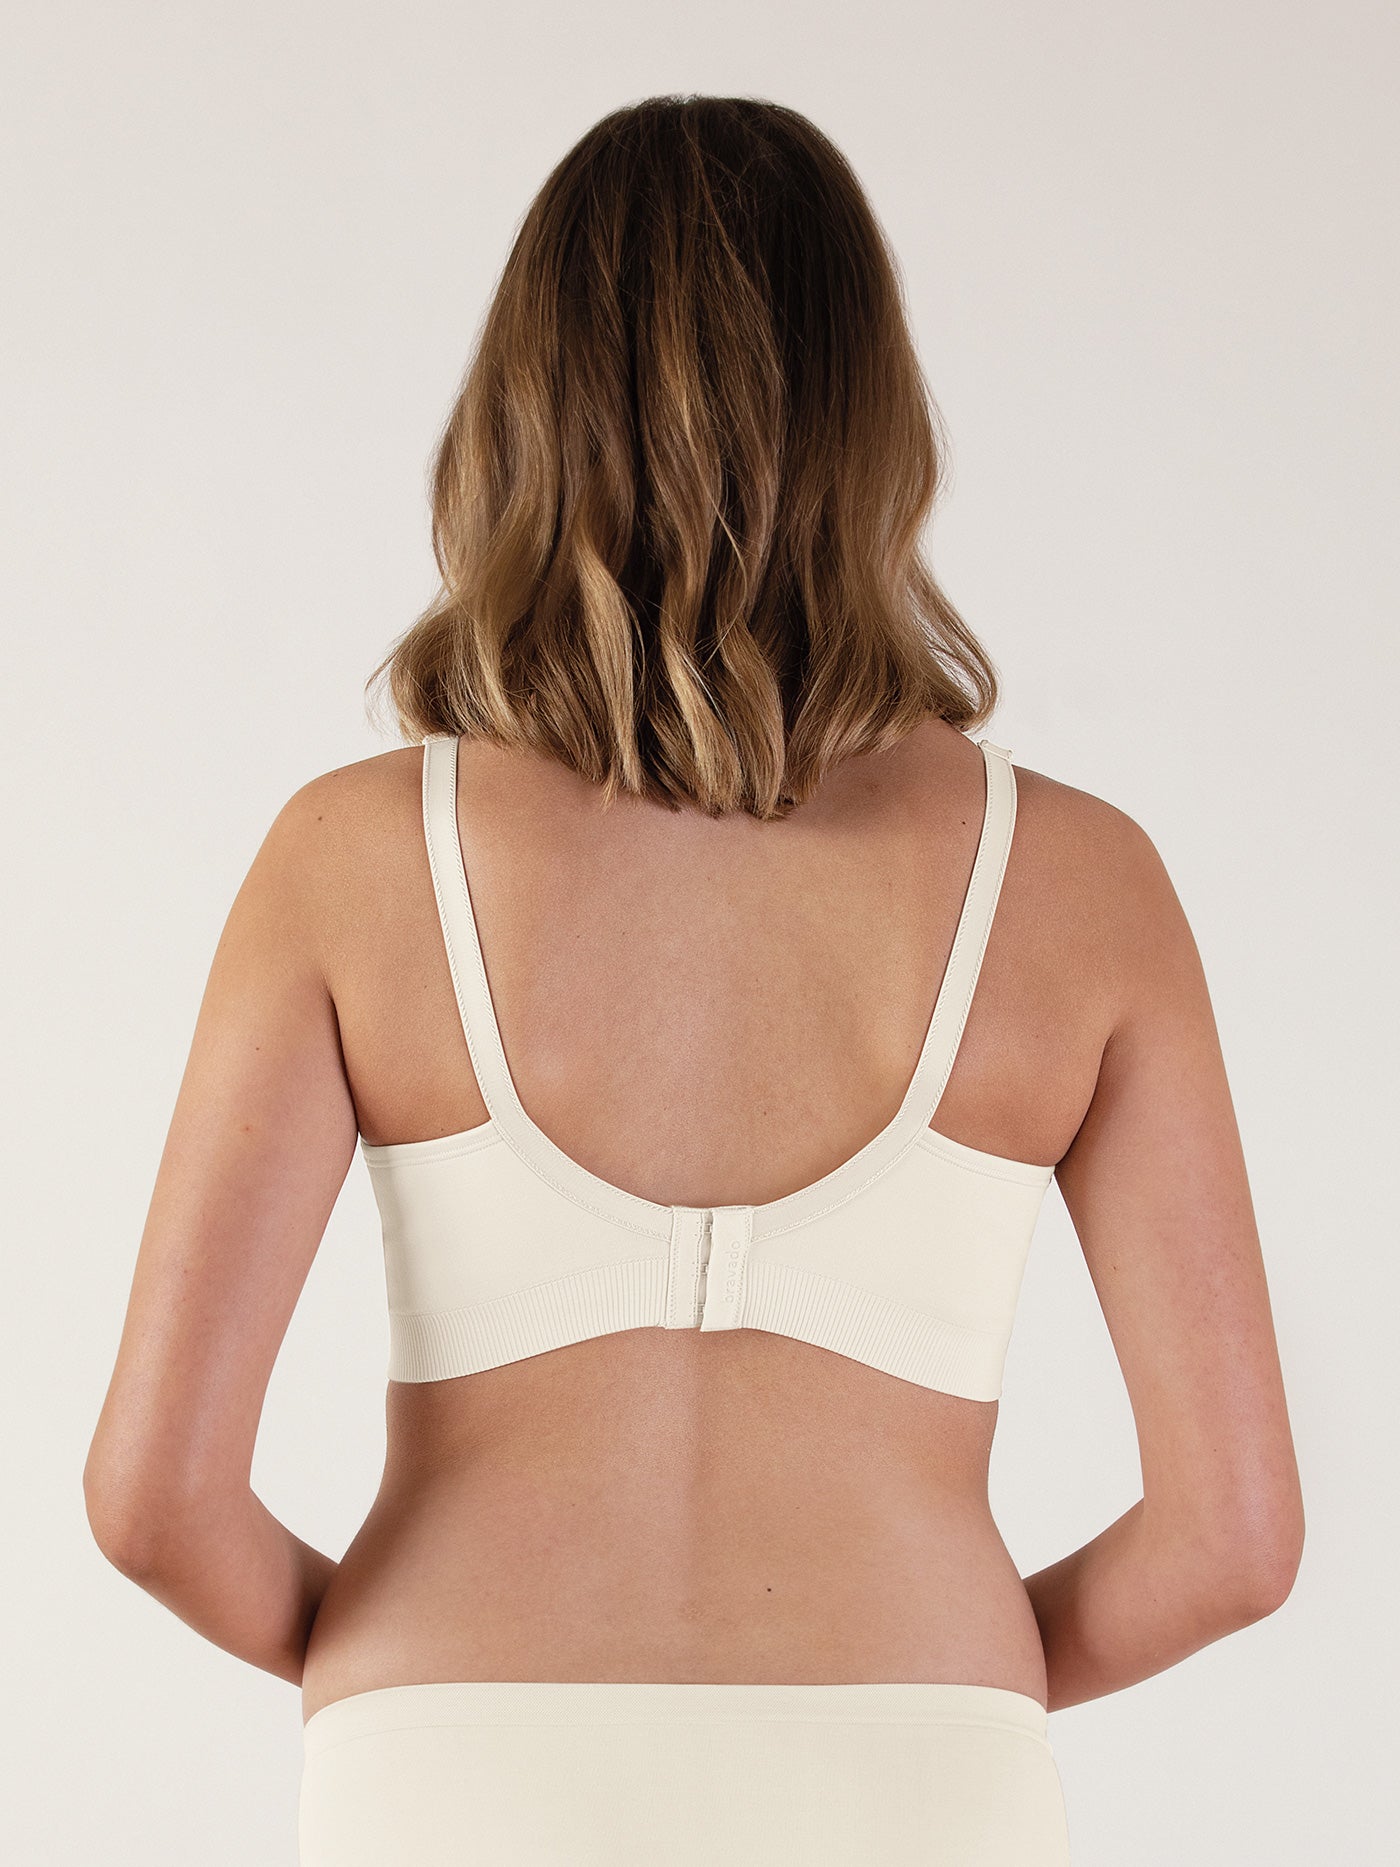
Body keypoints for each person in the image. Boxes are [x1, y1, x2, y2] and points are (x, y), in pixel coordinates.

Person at [82, 94, 1304, 1866]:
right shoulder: (1081, 882)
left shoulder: (350, 860)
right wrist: (936, 1675)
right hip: (919, 1778)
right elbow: (1236, 1540)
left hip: (452, 1771)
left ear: (522, 412)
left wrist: (401, 1668)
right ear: (877, 422)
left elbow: (152, 1499)